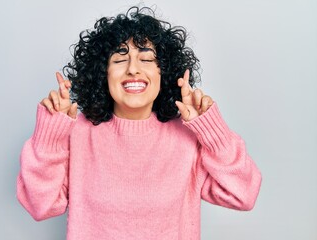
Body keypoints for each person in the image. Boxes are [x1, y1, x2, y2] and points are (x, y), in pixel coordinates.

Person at [17, 6, 262, 240]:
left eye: (146, 60)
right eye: (120, 60)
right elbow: (41, 205)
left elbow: (243, 194)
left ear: (162, 72)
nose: (133, 69)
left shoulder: (186, 139)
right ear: (103, 72)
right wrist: (50, 134)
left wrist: (211, 130)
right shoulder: (77, 134)